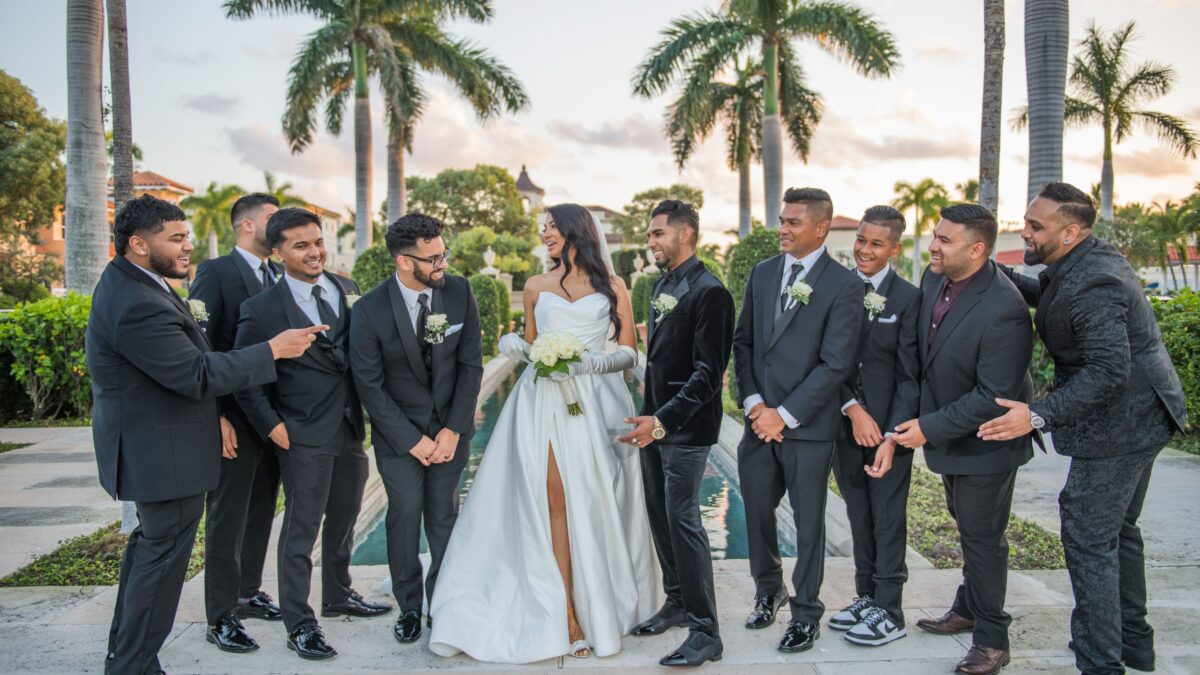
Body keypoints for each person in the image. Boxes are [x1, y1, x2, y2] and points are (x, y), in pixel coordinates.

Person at [87, 195, 322, 675]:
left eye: (186, 236)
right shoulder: (137, 303)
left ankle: (126, 656)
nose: (187, 246)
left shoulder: (135, 283)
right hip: (163, 455)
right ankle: (134, 665)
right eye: (175, 239)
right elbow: (194, 372)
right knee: (158, 567)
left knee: (147, 555)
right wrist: (271, 350)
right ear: (138, 244)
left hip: (157, 452)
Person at [429, 203, 658, 663]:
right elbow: (534, 346)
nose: (544, 233)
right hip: (542, 402)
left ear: (576, 230)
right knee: (554, 498)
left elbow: (630, 352)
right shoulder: (535, 285)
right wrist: (515, 346)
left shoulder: (613, 285)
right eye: (543, 228)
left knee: (594, 501)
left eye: (552, 226)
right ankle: (567, 612)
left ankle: (601, 600)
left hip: (598, 404)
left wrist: (588, 364)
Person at [979, 182, 1187, 675]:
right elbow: (1053, 297)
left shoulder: (1096, 281)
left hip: (1124, 423)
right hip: (1146, 413)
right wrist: (993, 270)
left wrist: (1037, 414)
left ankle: (1100, 662)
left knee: (1087, 534)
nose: (1025, 231)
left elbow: (1108, 370)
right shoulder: (1081, 261)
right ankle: (1132, 642)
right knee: (1118, 531)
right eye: (1026, 222)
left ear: (1070, 232)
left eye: (1036, 226)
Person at [234, 207, 390, 661]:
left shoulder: (346, 289)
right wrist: (273, 427)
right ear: (278, 252)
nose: (314, 252)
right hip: (299, 432)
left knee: (345, 516)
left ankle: (338, 594)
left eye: (317, 242)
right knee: (301, 530)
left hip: (349, 427)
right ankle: (299, 624)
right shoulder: (261, 309)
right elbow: (245, 376)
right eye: (300, 245)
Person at [891, 203, 1035, 675]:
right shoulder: (935, 278)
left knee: (983, 539)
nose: (932, 246)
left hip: (988, 444)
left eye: (944, 240)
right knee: (966, 527)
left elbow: (994, 397)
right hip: (951, 440)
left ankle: (992, 639)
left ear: (976, 250)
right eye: (935, 235)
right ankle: (968, 606)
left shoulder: (1006, 309)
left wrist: (926, 427)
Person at [732, 187, 864, 654]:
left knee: (809, 525)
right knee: (756, 511)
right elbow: (744, 343)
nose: (782, 229)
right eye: (782, 220)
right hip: (758, 422)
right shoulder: (763, 273)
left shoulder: (845, 285)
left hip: (808, 427)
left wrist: (783, 416)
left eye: (793, 222)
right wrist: (755, 405)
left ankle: (806, 613)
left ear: (821, 228)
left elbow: (836, 364)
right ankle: (768, 591)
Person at [349, 213, 483, 645]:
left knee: (443, 517)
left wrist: (453, 430)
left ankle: (443, 603)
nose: (443, 264)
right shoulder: (368, 309)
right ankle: (409, 607)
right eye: (434, 258)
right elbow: (369, 385)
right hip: (398, 439)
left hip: (450, 435)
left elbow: (471, 366)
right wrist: (411, 440)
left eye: (444, 254)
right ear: (405, 261)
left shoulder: (460, 292)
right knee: (404, 516)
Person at [619, 199, 734, 667]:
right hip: (654, 424)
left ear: (685, 234)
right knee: (660, 517)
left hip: (686, 429)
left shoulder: (711, 292)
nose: (651, 241)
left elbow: (708, 375)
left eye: (658, 233)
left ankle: (706, 633)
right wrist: (650, 418)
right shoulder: (662, 284)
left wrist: (664, 420)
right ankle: (678, 601)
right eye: (650, 234)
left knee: (684, 523)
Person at [190, 193, 285, 653]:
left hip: (272, 418)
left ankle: (248, 592)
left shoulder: (278, 275)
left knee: (262, 509)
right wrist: (217, 416)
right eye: (272, 219)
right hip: (233, 417)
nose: (280, 225)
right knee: (227, 518)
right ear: (247, 225)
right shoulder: (215, 272)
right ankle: (221, 615)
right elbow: (200, 347)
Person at [828, 205, 922, 647]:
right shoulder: (835, 289)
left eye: (876, 244)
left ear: (895, 249)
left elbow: (910, 375)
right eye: (861, 240)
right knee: (858, 514)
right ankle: (866, 597)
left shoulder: (910, 298)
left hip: (890, 434)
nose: (864, 250)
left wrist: (890, 436)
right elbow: (826, 360)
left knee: (887, 518)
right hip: (845, 426)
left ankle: (891, 609)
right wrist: (851, 408)